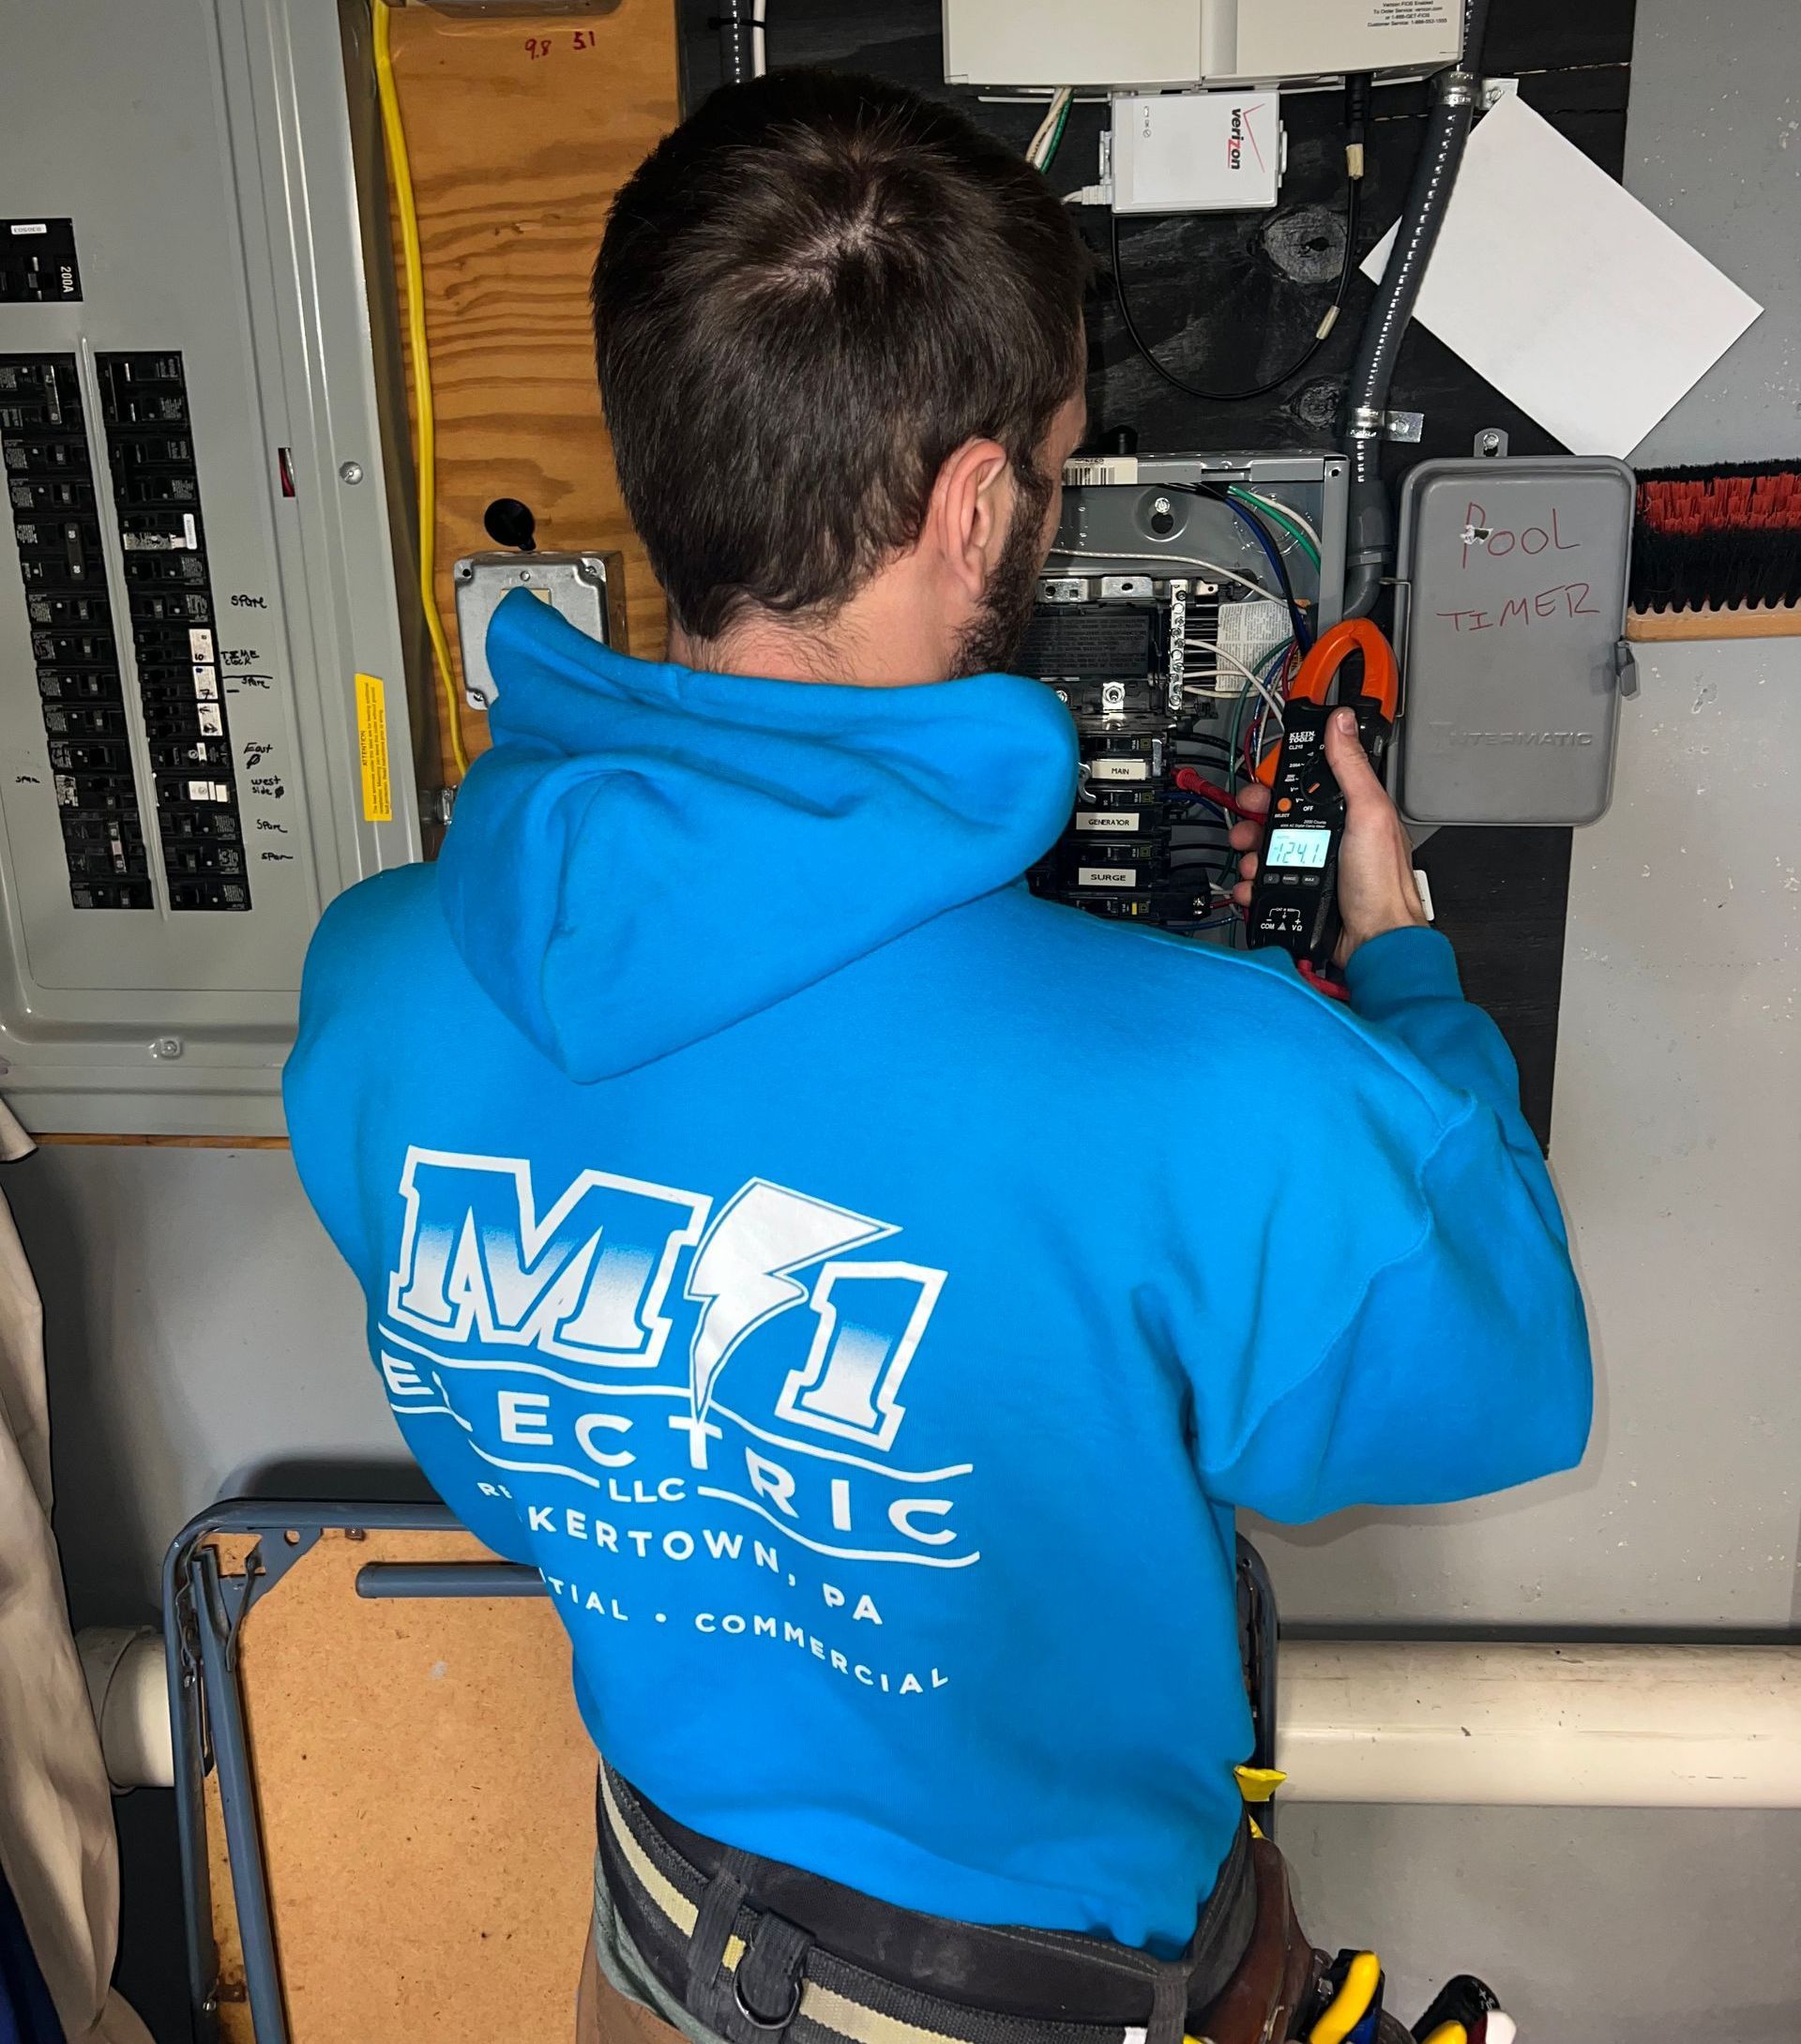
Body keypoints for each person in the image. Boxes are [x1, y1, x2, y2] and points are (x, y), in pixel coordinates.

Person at [284, 68, 1590, 2044]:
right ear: (978, 503)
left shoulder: (376, 984)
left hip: (657, 1941)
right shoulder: (1208, 1089)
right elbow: (1504, 1380)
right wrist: (1405, 976)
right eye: (1058, 469)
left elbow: (514, 1445)